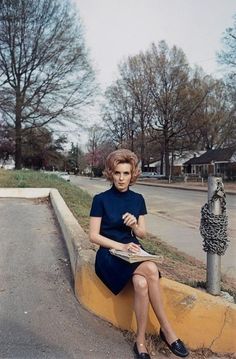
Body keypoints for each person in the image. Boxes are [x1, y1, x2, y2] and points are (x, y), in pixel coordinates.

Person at [89, 149, 189, 359]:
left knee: (142, 284)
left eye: (126, 173)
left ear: (132, 174)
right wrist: (121, 246)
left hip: (132, 250)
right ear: (110, 173)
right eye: (117, 173)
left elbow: (142, 233)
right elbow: (93, 236)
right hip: (109, 254)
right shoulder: (100, 199)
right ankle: (167, 330)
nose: (121, 178)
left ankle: (140, 341)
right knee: (151, 269)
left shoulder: (138, 199)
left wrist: (134, 225)